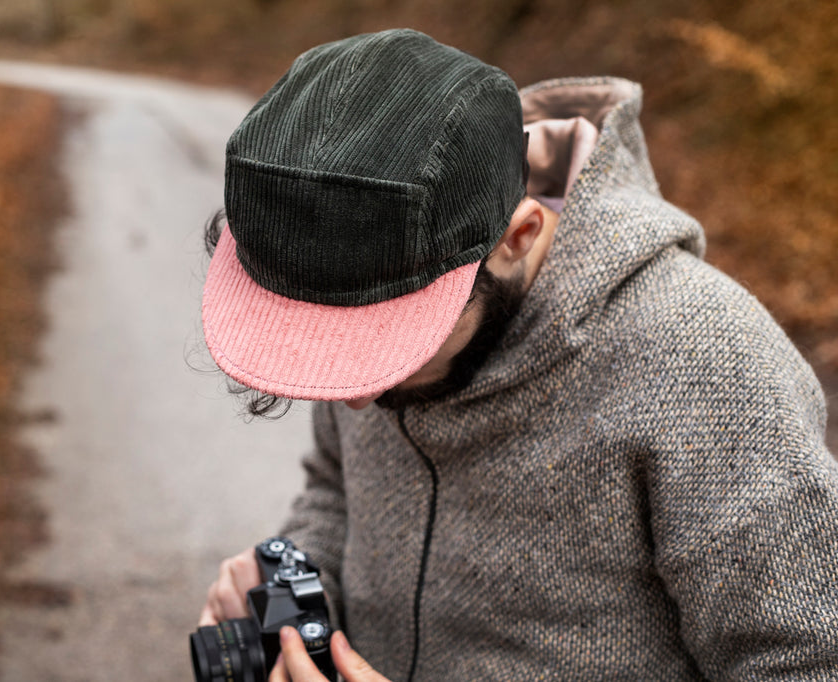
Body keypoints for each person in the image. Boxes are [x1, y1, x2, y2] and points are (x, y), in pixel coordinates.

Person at [196, 29, 838, 680]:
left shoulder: (708, 362)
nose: (353, 395)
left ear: (517, 235)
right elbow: (334, 490)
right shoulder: (369, 265)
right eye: (320, 345)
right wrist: (295, 589)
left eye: (386, 344)